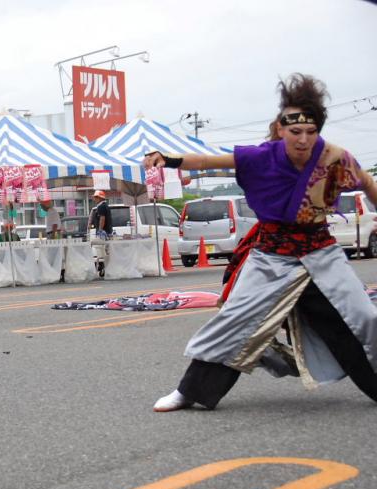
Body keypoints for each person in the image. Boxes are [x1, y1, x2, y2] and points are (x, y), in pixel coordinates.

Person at [144, 74, 377, 412]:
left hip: (321, 252)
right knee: (237, 319)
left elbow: (368, 182)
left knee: (362, 315)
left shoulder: (335, 158)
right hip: (273, 255)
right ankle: (189, 392)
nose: (303, 139)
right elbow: (210, 161)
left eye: (311, 132)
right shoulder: (261, 157)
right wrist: (170, 159)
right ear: (281, 128)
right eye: (295, 132)